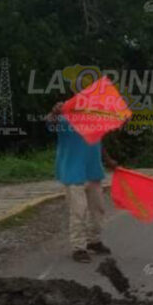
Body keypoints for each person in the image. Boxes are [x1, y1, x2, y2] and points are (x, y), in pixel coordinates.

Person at [48, 102, 118, 263]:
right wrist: (54, 112)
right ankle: (79, 248)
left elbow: (98, 141)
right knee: (79, 211)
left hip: (93, 171)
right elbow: (50, 122)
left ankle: (94, 241)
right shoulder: (64, 116)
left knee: (98, 209)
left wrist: (108, 160)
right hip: (73, 173)